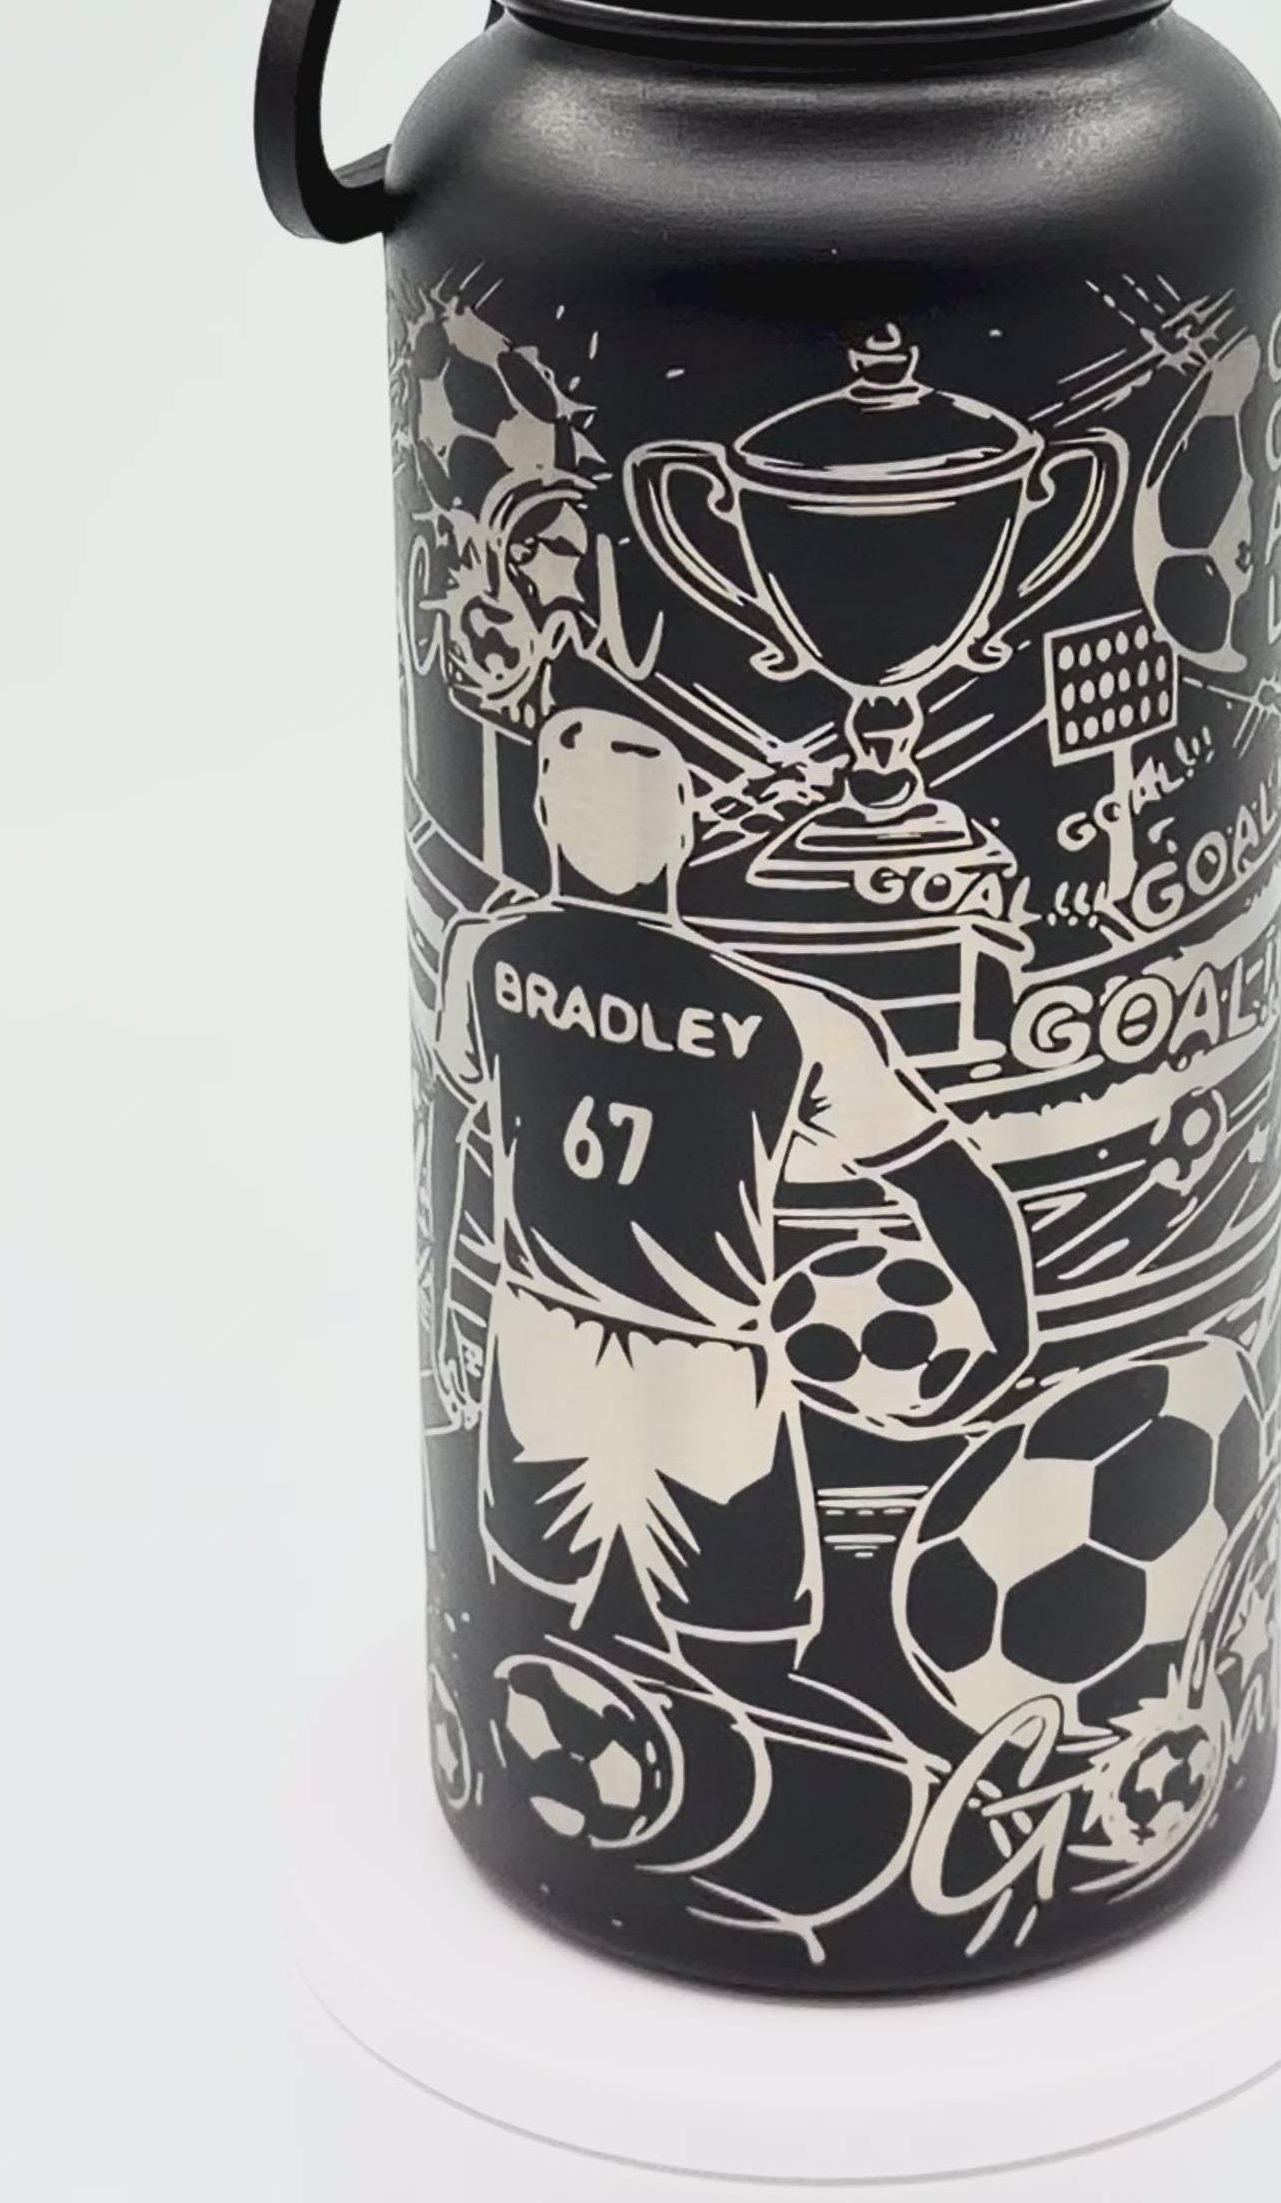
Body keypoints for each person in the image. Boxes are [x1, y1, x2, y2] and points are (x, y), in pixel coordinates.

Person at [436, 705, 1033, 1677]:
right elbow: (950, 1183)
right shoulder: (792, 1015)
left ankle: (561, 1755)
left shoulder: (485, 955)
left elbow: (463, 1129)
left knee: (532, 1627)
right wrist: (1008, 1337)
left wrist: (451, 1308)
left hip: (540, 1335)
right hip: (707, 1355)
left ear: (546, 814)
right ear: (684, 825)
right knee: (743, 1651)